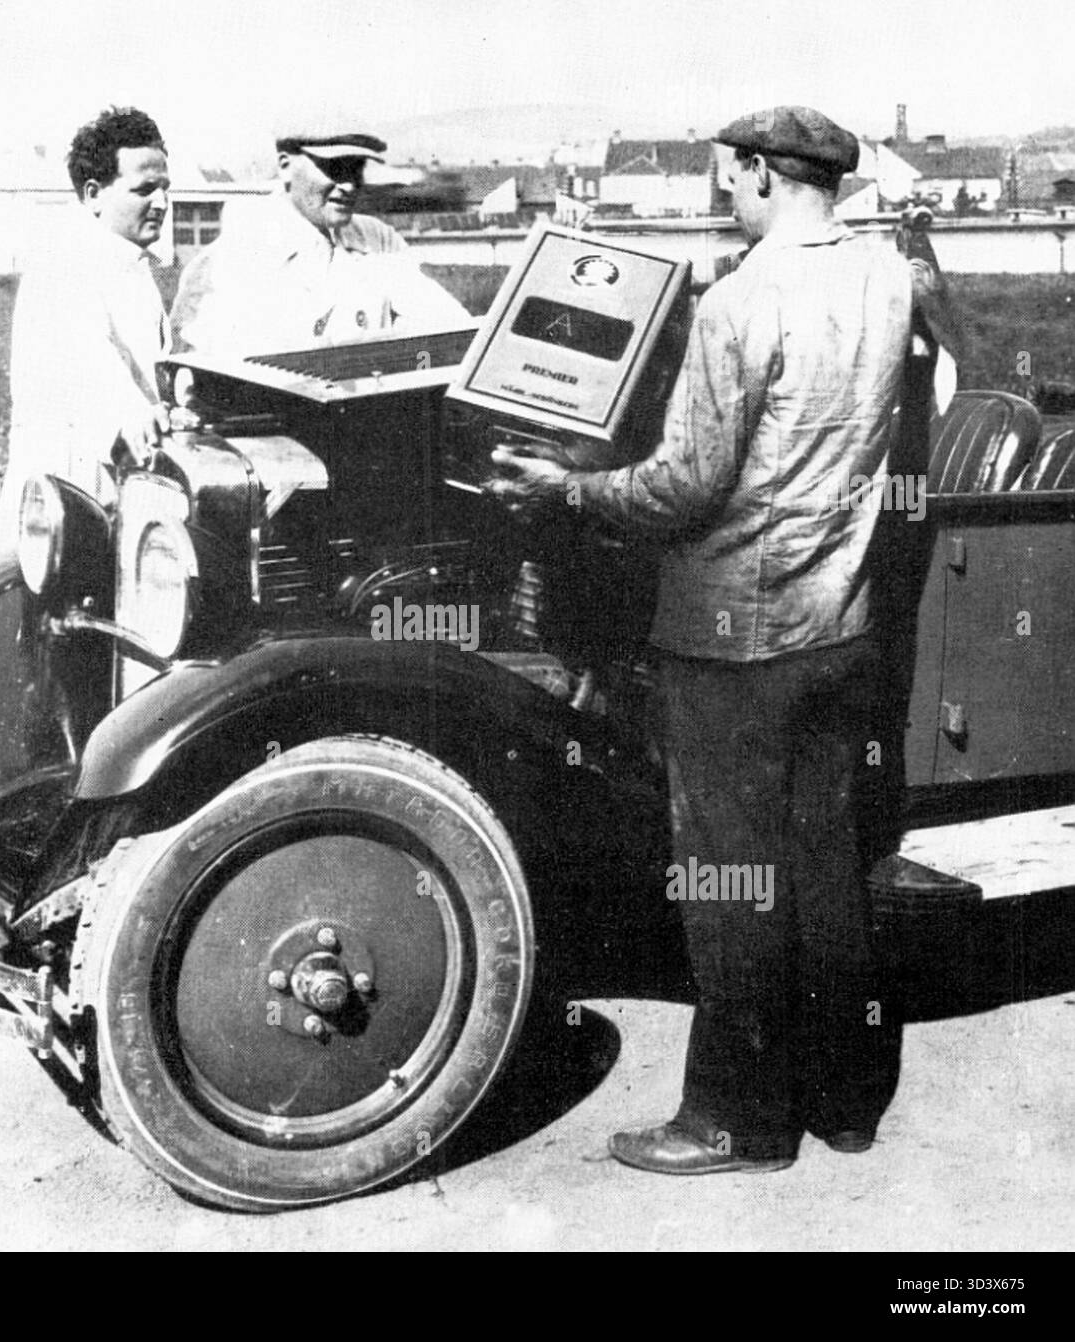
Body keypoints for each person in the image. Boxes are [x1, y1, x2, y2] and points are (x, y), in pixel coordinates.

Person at [487, 106, 918, 1174]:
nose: (723, 195)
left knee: (730, 882)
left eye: (728, 178)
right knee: (827, 866)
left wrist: (568, 486)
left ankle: (736, 1119)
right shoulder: (883, 277)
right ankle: (846, 1103)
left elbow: (683, 486)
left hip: (734, 642)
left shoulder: (737, 303)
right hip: (840, 626)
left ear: (766, 175)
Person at [0, 106, 172, 544]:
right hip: (65, 493)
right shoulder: (65, 263)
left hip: (120, 479)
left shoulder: (134, 265)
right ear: (94, 194)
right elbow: (92, 360)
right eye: (145, 189)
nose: (163, 203)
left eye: (166, 188)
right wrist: (136, 414)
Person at [171, 131, 470, 357]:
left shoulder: (377, 238)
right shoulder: (236, 255)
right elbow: (200, 368)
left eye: (356, 169)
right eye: (335, 168)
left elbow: (447, 327)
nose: (350, 185)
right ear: (285, 166)